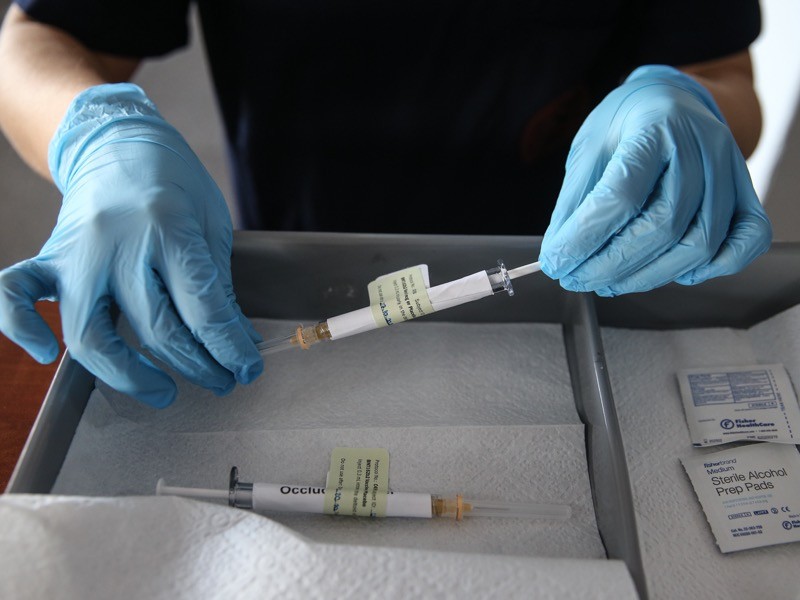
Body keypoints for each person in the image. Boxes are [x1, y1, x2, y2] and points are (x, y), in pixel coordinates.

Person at [0, 1, 772, 408]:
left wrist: (687, 105)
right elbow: (39, 38)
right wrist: (99, 138)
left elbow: (719, 66)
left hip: (574, 265)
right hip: (301, 248)